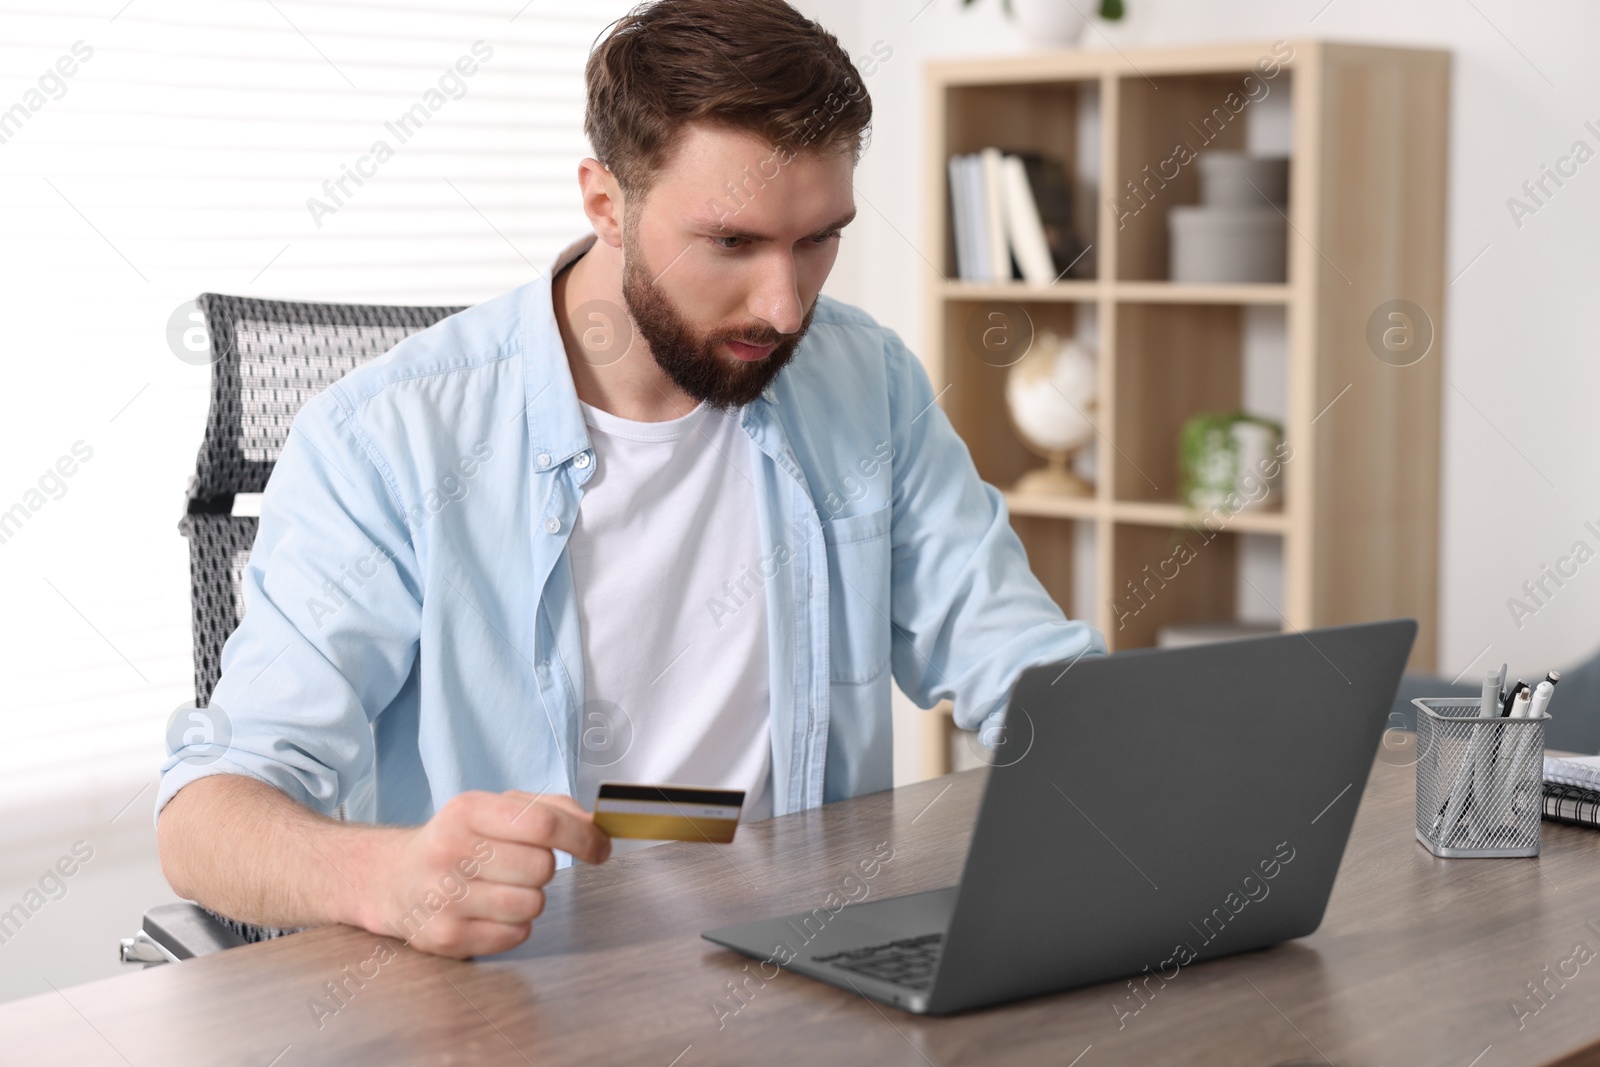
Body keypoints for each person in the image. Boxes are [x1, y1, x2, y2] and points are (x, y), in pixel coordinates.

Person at [155, 0, 1105, 960]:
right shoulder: (387, 440)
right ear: (606, 202)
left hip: (811, 978)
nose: (783, 306)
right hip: (525, 995)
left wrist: (1171, 779)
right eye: (731, 242)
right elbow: (206, 815)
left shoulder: (868, 386)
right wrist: (382, 878)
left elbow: (1023, 667)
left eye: (818, 239)